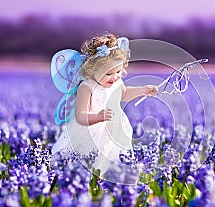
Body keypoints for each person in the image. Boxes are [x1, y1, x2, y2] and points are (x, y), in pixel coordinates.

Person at [51, 33, 157, 178]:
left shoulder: (116, 83)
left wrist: (143, 90)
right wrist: (97, 117)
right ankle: (83, 180)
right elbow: (80, 116)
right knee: (84, 161)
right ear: (92, 70)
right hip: (90, 130)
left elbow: (124, 94)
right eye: (109, 73)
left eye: (118, 71)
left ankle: (107, 180)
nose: (115, 77)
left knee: (111, 158)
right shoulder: (86, 87)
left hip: (112, 129)